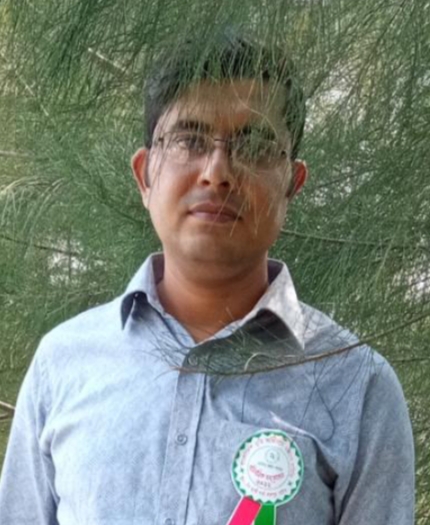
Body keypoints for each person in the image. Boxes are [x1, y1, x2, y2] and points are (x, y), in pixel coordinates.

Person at [0, 29, 414, 525]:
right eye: (189, 140)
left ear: (292, 184)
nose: (217, 171)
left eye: (255, 144)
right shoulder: (63, 364)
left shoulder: (357, 387)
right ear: (144, 175)